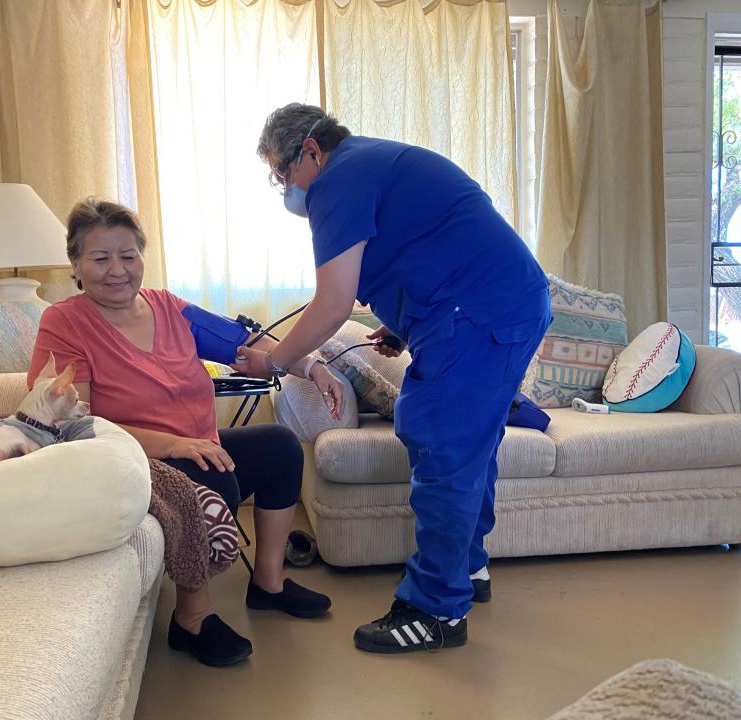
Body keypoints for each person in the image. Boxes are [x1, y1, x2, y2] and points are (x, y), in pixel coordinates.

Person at [234, 103, 551, 655]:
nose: (284, 188)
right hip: (498, 306)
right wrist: (402, 326)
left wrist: (276, 361)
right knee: (470, 447)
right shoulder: (372, 161)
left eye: (281, 174)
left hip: (478, 315)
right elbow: (438, 242)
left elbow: (332, 304)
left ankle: (435, 611)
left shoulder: (337, 180)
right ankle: (466, 572)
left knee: (441, 444)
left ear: (310, 151)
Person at [25, 199, 336, 667]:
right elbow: (78, 422)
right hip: (129, 458)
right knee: (209, 470)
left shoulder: (168, 307)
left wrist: (312, 366)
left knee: (280, 447)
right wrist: (173, 445)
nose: (117, 270)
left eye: (128, 256)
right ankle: (191, 619)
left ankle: (268, 584)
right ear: (75, 265)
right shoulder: (64, 322)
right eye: (100, 258)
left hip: (193, 446)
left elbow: (244, 343)